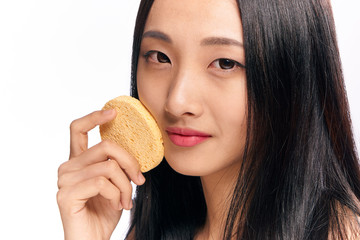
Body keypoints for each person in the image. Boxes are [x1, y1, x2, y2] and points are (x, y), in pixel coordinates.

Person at [57, 0, 360, 239]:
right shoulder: (156, 229)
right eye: (160, 57)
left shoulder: (342, 233)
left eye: (225, 63)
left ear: (293, 76)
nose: (177, 101)